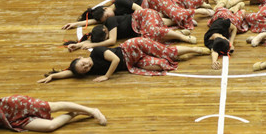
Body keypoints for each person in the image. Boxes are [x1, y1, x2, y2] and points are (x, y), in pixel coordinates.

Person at [38, 37, 210, 83]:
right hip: (133, 62)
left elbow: (114, 60)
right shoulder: (88, 70)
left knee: (167, 53)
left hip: (133, 47)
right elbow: (70, 73)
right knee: (161, 65)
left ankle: (195, 49)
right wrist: (53, 76)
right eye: (84, 69)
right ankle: (182, 54)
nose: (86, 67)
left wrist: (106, 76)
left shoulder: (96, 52)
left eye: (83, 64)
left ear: (81, 57)